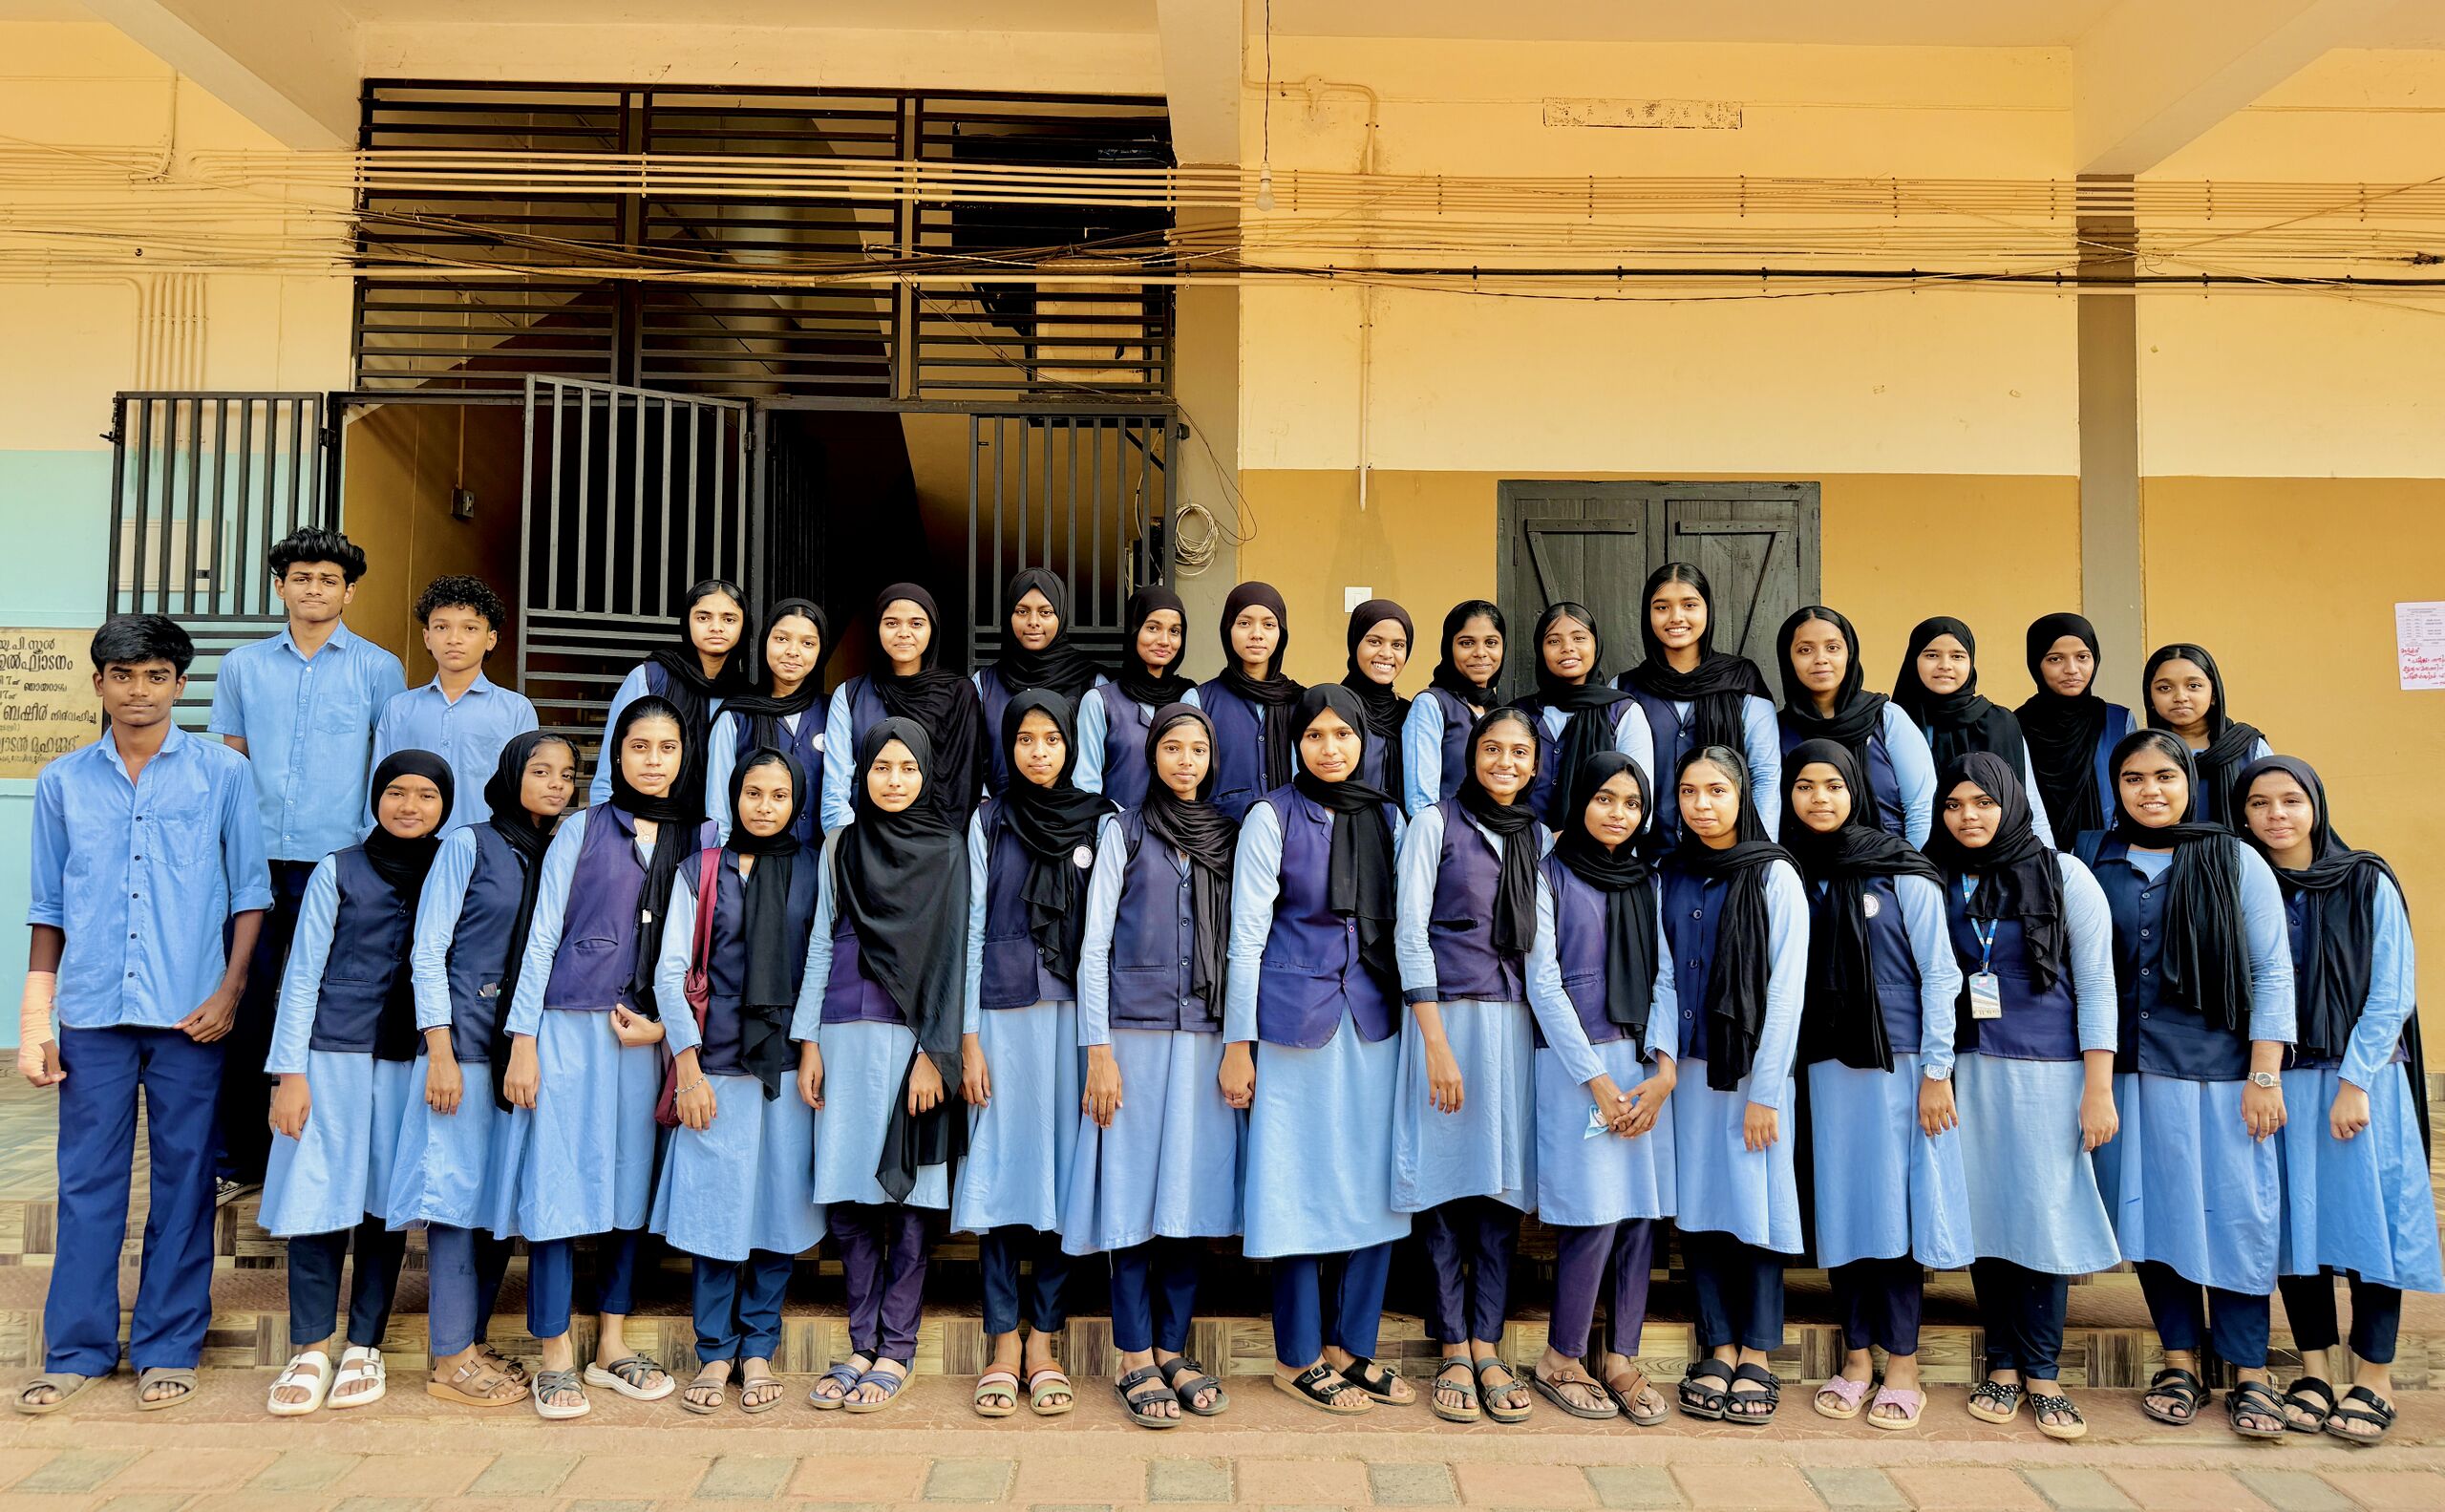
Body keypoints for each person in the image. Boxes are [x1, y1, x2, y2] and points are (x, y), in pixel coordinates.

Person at [15, 616, 269, 1415]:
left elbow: (251, 892)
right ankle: (76, 1349)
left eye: (156, 675)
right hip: (92, 1011)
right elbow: (48, 904)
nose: (138, 690)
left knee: (186, 1180)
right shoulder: (62, 781)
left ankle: (168, 1344)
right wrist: (36, 1017)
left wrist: (229, 992)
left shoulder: (223, 774)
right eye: (122, 675)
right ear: (98, 683)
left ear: (179, 685)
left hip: (191, 1013)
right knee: (87, 1181)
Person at [2077, 731, 2295, 1439]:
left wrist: (2265, 1072)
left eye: (2165, 776)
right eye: (2134, 778)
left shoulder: (2234, 858)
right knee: (2153, 1218)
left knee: (2235, 1217)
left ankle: (2250, 1370)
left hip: (2222, 1073)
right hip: (2131, 1073)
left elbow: (2271, 969)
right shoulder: (2095, 858)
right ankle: (2179, 1360)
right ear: (2116, 786)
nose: (2151, 790)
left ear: (2190, 782)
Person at [500, 697, 707, 1418]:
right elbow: (542, 935)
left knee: (628, 1189)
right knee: (556, 1187)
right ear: (618, 755)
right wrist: (523, 1040)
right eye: (639, 746)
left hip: (646, 1039)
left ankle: (611, 1345)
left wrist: (671, 1033)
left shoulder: (698, 838)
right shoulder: (582, 828)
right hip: (567, 1027)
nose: (654, 760)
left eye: (667, 747)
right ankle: (554, 1353)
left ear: (684, 757)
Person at [1222, 685, 1415, 1415]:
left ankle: (1351, 1346)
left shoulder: (1388, 817)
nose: (1330, 748)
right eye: (1315, 735)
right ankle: (1297, 1353)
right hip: (1293, 1022)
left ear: (1365, 740)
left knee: (1376, 1182)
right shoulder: (1270, 816)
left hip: (1374, 1019)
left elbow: (1407, 927)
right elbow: (1246, 936)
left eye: (1343, 734)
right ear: (1295, 743)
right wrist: (1238, 1043)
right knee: (1294, 1182)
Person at [2236, 756, 2438, 1448]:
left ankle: (2375, 1376)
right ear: (2243, 815)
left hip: (2363, 1082)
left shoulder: (2365, 878)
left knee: (2372, 1227)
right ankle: (2316, 1370)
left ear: (2316, 805)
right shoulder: (2248, 884)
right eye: (2259, 802)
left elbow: (2392, 990)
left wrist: (2355, 1082)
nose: (2276, 814)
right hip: (2282, 1081)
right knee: (2297, 1230)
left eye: (2291, 799)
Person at [1925, 753, 2120, 1440]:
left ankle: (2044, 1372)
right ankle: (2003, 1365)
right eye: (1954, 804)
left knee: (2042, 1216)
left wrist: (2098, 1087)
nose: (1968, 816)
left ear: (2011, 802)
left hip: (2050, 1072)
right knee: (1989, 1217)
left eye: (1983, 802)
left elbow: (2097, 983)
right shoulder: (1937, 876)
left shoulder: (2065, 874)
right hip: (1967, 1069)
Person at [209, 526, 405, 1202]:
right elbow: (231, 762)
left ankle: (333, 1155)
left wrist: (370, 859)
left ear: (349, 593)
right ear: (280, 587)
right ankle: (239, 1157)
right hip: (255, 864)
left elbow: (387, 770)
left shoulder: (379, 669)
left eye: (328, 580)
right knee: (244, 999)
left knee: (335, 1004)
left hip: (340, 866)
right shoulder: (242, 666)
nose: (314, 589)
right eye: (301, 577)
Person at [260, 751, 454, 1416]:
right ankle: (311, 1346)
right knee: (316, 1197)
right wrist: (289, 1073)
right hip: (330, 1056)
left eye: (426, 795)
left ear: (445, 806)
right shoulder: (337, 869)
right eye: (396, 792)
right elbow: (301, 975)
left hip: (408, 1060)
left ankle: (364, 1344)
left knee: (383, 1202)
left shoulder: (450, 869)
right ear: (375, 798)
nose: (410, 805)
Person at [1065, 704, 1243, 1428]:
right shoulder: (1125, 830)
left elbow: (1245, 943)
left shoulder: (1228, 835)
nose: (1185, 761)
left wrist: (1239, 1041)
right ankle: (1133, 1352)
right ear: (1153, 755)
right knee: (1131, 1196)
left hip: (1205, 1036)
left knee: (1188, 1201)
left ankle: (1173, 1347)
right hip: (1131, 1036)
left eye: (1198, 749)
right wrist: (1098, 1050)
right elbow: (1094, 944)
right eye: (1172, 747)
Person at [1781, 741, 1967, 1431]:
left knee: (1895, 1215)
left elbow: (1941, 974)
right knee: (1844, 1210)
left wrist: (1937, 1072)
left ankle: (1904, 1364)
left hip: (1900, 1063)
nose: (1819, 798)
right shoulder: (1793, 869)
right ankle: (1857, 1356)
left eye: (1834, 785)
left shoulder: (1901, 868)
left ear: (1856, 791)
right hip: (1827, 1064)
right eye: (1805, 785)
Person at [391, 731, 578, 1410]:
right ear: (511, 774)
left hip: (524, 1051)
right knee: (453, 1200)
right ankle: (449, 1359)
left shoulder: (563, 850)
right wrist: (438, 1050)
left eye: (567, 774)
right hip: (464, 1047)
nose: (555, 784)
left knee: (498, 1197)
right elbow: (428, 950)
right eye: (541, 770)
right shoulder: (469, 844)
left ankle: (469, 1342)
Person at [792, 719, 970, 1413]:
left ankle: (898, 1348)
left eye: (907, 768)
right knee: (847, 1196)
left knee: (913, 1200)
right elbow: (820, 940)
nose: (894, 780)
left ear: (926, 773)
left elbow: (953, 952)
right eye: (881, 768)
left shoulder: (948, 848)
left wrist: (935, 1052)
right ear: (861, 774)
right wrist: (809, 1039)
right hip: (842, 1030)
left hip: (911, 1039)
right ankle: (861, 1340)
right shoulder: (841, 844)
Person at [652, 750, 826, 1416]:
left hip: (785, 1064)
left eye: (779, 795)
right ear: (734, 796)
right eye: (753, 792)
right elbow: (671, 970)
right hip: (715, 1065)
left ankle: (758, 1346)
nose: (765, 806)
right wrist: (687, 1066)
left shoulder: (812, 867)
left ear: (796, 801)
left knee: (777, 1210)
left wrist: (810, 1047)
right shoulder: (701, 869)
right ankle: (715, 1351)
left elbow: (821, 962)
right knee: (714, 1213)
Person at [956, 692, 1115, 1418]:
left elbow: (1105, 936)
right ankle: (1001, 1343)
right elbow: (971, 926)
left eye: (1052, 738)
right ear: (1009, 746)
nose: (1040, 751)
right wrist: (968, 1038)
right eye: (1026, 739)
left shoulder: (1102, 820)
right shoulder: (988, 819)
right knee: (1000, 1177)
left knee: (1060, 1175)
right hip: (1001, 1015)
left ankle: (1043, 1341)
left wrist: (1101, 1043)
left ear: (1071, 746)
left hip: (1074, 1021)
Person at [1392, 707, 1542, 1425]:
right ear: (1470, 755)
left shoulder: (1541, 838)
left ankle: (1488, 1341)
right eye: (1492, 748)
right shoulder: (1434, 824)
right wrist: (1435, 1040)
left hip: (1517, 1026)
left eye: (1519, 752)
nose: (1505, 762)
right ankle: (1453, 1343)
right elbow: (1409, 933)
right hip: (1445, 1019)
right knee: (1444, 1185)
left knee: (1500, 1191)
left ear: (1535, 764)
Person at [1520, 754, 1677, 1426]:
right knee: (1593, 1214)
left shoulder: (1648, 879)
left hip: (1643, 1070)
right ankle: (1561, 1356)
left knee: (1640, 1215)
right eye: (1605, 798)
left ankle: (1620, 1359)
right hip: (1576, 1068)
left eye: (1632, 803)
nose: (1619, 813)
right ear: (1580, 800)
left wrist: (1664, 1071)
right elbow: (1543, 984)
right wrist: (1597, 1079)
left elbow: (1666, 976)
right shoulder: (1546, 875)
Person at [1659, 746, 1806, 1426]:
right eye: (1689, 791)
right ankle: (1718, 1344)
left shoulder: (1775, 873)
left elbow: (1787, 990)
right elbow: (1663, 973)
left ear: (1743, 795)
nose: (1702, 804)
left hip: (1751, 1071)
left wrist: (1766, 1092)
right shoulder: (1671, 872)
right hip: (1689, 1068)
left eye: (1716, 790)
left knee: (1757, 1209)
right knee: (1702, 1207)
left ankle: (1757, 1353)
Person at [1615, 564, 1780, 846]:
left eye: (1689, 605)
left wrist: (1760, 852)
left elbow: (1764, 775)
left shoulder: (1741, 680)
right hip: (1646, 856)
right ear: (1647, 614)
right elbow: (1616, 780)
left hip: (1728, 854)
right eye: (1662, 607)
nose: (1676, 617)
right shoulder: (1624, 688)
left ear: (1708, 610)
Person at [370, 576, 539, 831]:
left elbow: (525, 792)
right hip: (410, 847)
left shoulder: (515, 710)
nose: (454, 639)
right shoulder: (399, 709)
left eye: (470, 628)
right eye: (441, 627)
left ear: (491, 639)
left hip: (485, 847)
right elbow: (379, 786)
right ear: (427, 637)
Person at [821, 584, 987, 832]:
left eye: (916, 624)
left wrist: (945, 844)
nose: (903, 633)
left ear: (932, 630)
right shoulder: (850, 695)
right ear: (877, 628)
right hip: (865, 837)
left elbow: (965, 782)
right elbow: (836, 788)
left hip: (939, 840)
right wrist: (848, 843)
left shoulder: (960, 694)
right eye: (891, 623)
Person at [588, 578, 751, 817]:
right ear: (687, 621)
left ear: (744, 626)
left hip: (715, 829)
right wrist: (603, 824)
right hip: (643, 822)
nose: (716, 627)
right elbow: (610, 764)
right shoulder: (650, 678)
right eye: (703, 617)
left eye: (729, 619)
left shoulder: (746, 695)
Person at [1774, 607, 1935, 844]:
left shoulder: (1885, 718)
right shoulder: (1777, 730)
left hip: (1888, 860)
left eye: (1832, 648)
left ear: (1849, 653)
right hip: (1803, 862)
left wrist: (1912, 864)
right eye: (1805, 650)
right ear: (1788, 659)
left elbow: (1921, 808)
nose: (1821, 659)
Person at [1893, 617, 2053, 845]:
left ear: (1971, 662)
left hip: (1998, 855)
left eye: (1957, 656)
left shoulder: (2000, 722)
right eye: (1932, 655)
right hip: (1916, 852)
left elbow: (2029, 801)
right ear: (1913, 660)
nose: (1945, 665)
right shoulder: (1896, 723)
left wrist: (2048, 856)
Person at [709, 598, 830, 848]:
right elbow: (718, 811)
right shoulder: (737, 715)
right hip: (750, 861)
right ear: (765, 641)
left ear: (821, 651)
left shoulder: (834, 713)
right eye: (781, 639)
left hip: (819, 862)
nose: (793, 651)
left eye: (808, 643)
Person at [973, 569, 1107, 796]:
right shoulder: (985, 683)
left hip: (1071, 812)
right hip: (1002, 811)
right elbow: (972, 757)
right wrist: (986, 804)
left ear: (1061, 616)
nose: (1033, 622)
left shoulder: (1091, 682)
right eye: (1022, 611)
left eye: (1045, 612)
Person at [1517, 602, 1650, 828]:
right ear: (1540, 649)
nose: (1567, 648)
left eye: (1579, 638)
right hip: (1523, 845)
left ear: (1596, 645)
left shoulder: (1622, 712)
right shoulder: (1519, 715)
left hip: (1599, 846)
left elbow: (1638, 801)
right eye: (1553, 641)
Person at [2015, 613, 2134, 841]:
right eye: (2055, 659)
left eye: (2082, 657)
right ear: (2036, 663)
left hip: (2108, 849)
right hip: (2036, 851)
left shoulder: (2118, 720)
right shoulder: (2015, 725)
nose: (2071, 669)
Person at [1076, 586, 1199, 804]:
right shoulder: (1100, 701)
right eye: (1153, 628)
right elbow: (1086, 786)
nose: (1164, 640)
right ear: (1134, 630)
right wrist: (1111, 824)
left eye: (1174, 631)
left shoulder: (1189, 698)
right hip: (1115, 824)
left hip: (1178, 826)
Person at [1196, 583, 1304, 822]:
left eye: (1269, 624)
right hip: (1218, 835)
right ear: (1228, 629)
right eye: (1244, 623)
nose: (1257, 634)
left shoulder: (1301, 701)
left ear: (1281, 634)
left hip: (1290, 834)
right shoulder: (1200, 701)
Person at [2142, 643, 2269, 829]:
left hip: (2235, 846)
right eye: (2165, 688)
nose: (2180, 697)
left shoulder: (2247, 747)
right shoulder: (2141, 752)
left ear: (2213, 694)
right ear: (2150, 697)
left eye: (2193, 686)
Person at [1402, 601, 1507, 816]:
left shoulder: (1498, 712)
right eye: (1467, 643)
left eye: (1491, 642)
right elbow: (1421, 802)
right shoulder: (1432, 705)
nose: (1480, 652)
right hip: (1447, 833)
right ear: (1449, 647)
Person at [1341, 599, 1414, 799]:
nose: (1386, 654)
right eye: (1375, 642)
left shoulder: (1410, 714)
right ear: (1355, 642)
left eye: (1398, 645)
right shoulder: (1335, 709)